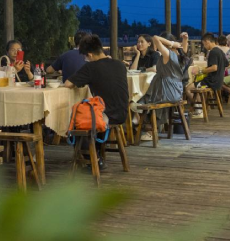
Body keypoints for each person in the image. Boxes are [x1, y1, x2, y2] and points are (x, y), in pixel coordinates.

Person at [65, 34, 129, 164]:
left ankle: (93, 159)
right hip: (122, 113)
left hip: (105, 116)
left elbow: (68, 84)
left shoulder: (90, 67)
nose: (85, 59)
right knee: (91, 111)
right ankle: (97, 153)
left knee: (77, 120)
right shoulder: (120, 65)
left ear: (90, 55)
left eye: (85, 57)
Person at [132, 34, 187, 140]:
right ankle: (146, 124)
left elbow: (155, 38)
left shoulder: (168, 54)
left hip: (168, 90)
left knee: (147, 99)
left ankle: (149, 129)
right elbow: (183, 46)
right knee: (149, 95)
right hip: (176, 91)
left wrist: (171, 43)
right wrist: (184, 39)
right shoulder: (180, 55)